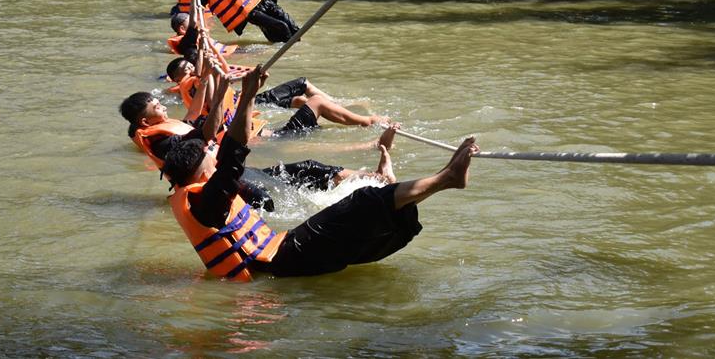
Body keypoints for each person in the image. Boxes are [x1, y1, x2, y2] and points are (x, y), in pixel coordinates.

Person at [157, 66, 479, 280]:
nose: (214, 163)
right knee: (365, 202)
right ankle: (446, 179)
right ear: (199, 172)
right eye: (208, 162)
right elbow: (231, 156)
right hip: (281, 263)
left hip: (283, 255)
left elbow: (227, 156)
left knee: (364, 215)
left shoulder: (200, 198)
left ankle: (410, 186)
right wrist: (250, 94)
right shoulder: (206, 201)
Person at [119, 82, 393, 211]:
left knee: (309, 167)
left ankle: (376, 178)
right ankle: (371, 157)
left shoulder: (166, 130)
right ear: (144, 119)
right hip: (226, 182)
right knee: (272, 195)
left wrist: (216, 76)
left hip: (234, 171)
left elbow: (201, 127)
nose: (163, 106)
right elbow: (205, 133)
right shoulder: (161, 140)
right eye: (157, 106)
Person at [166, 56, 389, 134]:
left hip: (259, 127)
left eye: (190, 66)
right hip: (268, 134)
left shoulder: (198, 87)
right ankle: (368, 122)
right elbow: (212, 98)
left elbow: (216, 86)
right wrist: (206, 70)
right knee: (316, 101)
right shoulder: (192, 85)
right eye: (184, 70)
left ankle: (348, 113)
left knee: (305, 101)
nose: (189, 70)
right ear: (177, 78)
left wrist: (210, 60)